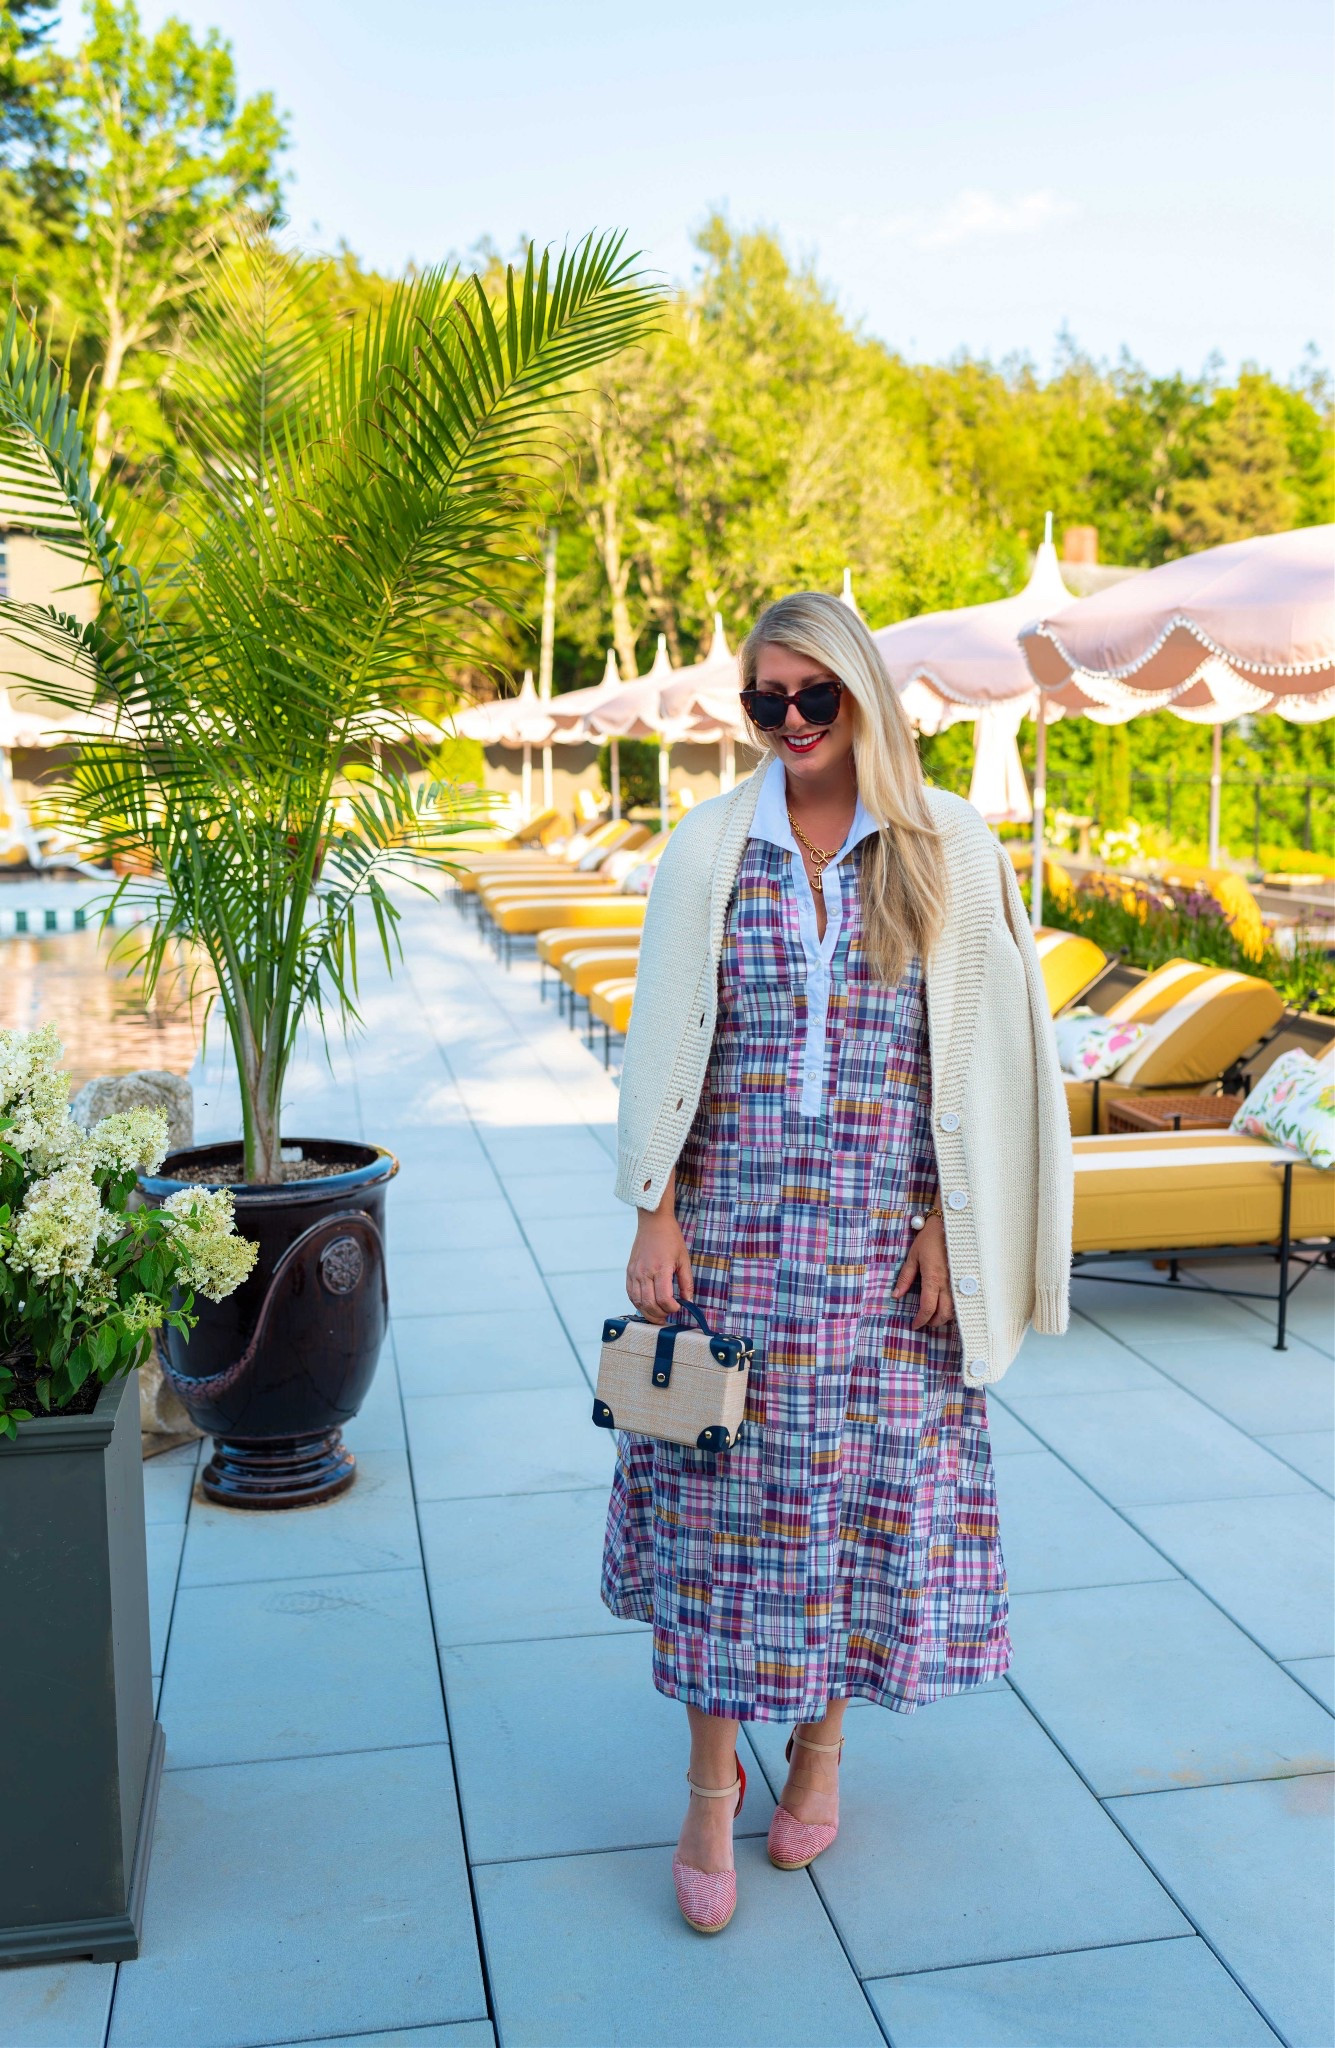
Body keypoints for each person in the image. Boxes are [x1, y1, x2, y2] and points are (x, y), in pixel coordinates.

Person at [601, 590, 1071, 1934]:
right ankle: (705, 1790)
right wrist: (654, 1206)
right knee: (710, 1526)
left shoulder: (948, 850)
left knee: (851, 1515)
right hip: (731, 1247)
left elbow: (983, 1059)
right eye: (769, 701)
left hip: (882, 1260)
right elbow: (663, 1044)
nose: (794, 723)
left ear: (864, 697)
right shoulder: (707, 849)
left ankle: (817, 1750)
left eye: (818, 697)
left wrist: (951, 1222)